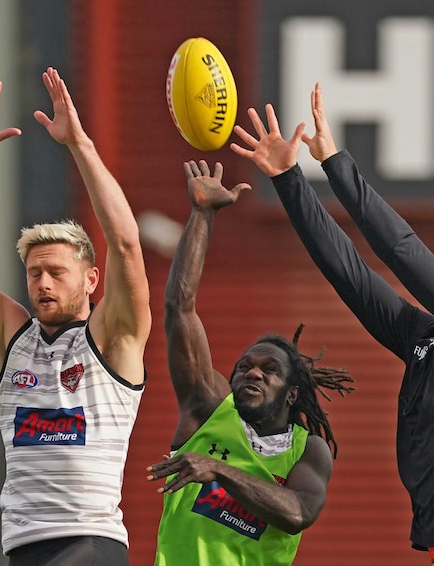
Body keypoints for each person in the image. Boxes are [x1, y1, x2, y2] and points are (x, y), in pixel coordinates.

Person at [231, 84, 434, 566]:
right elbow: (352, 274)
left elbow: (402, 251)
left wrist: (336, 163)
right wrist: (288, 178)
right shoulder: (429, 338)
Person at [0, 68, 151, 565]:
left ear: (91, 281)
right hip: (23, 547)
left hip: (89, 543)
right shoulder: (10, 337)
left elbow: (125, 245)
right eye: (34, 273)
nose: (42, 283)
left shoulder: (113, 338)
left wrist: (80, 145)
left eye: (56, 271)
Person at [146, 160, 353, 566]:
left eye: (269, 370)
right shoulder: (208, 410)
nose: (253, 372)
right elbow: (179, 310)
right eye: (244, 367)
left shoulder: (307, 451)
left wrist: (218, 470)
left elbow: (297, 514)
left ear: (292, 394)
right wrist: (203, 214)